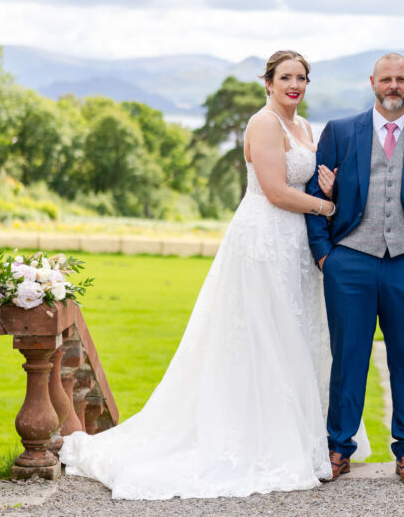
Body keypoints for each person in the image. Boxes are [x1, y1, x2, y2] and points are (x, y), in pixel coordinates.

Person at [60, 51, 369, 499]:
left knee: (297, 335)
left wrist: (325, 188)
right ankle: (260, 441)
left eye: (302, 77)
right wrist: (330, 205)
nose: (294, 84)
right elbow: (277, 191)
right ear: (268, 83)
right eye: (285, 77)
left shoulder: (303, 127)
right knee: (265, 335)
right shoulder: (263, 123)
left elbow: (304, 182)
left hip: (296, 246)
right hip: (264, 239)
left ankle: (302, 438)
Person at [306, 52, 404, 486]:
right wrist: (326, 255)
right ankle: (339, 448)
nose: (392, 86)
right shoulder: (340, 132)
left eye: (400, 79)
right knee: (349, 356)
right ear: (371, 82)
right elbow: (312, 196)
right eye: (385, 79)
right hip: (350, 261)